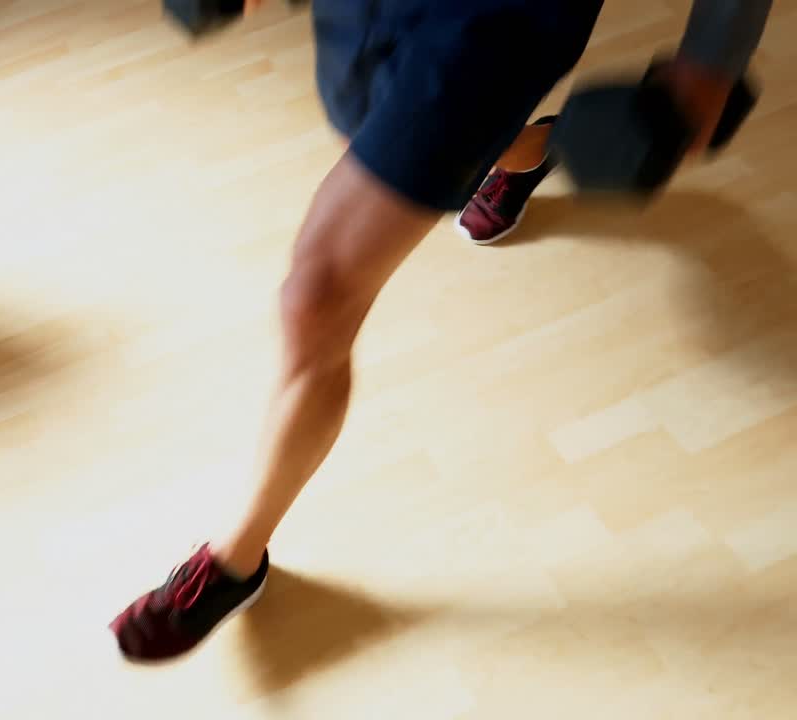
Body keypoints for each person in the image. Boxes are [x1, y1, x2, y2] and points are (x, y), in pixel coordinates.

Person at [110, 0, 773, 662]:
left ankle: (234, 561)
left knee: (315, 298)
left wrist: (714, 57)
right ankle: (524, 154)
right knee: (369, 125)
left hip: (491, 24)